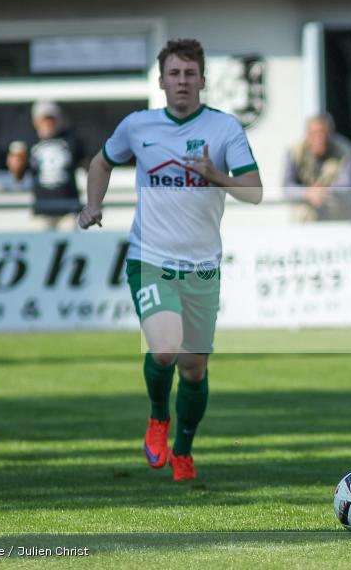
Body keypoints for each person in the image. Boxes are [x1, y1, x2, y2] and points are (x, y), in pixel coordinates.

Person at [78, 39, 262, 482]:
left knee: (193, 368)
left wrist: (213, 174)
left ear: (203, 80)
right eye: (174, 74)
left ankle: (184, 449)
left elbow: (254, 190)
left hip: (201, 266)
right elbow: (101, 163)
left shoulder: (224, 128)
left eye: (189, 74)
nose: (182, 81)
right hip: (150, 258)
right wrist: (92, 205)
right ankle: (158, 416)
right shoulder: (138, 125)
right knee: (164, 350)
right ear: (161, 81)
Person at [8, 100, 87, 230]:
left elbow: (87, 165)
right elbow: (18, 176)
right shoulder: (29, 142)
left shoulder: (71, 139)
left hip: (68, 208)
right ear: (36, 121)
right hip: (42, 210)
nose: (48, 123)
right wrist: (15, 166)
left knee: (69, 238)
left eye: (51, 119)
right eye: (44, 119)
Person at [283, 114, 351, 221]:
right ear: (307, 135)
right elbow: (287, 187)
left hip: (336, 210)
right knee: (302, 212)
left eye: (323, 133)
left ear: (331, 133)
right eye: (314, 133)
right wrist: (307, 192)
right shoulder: (294, 152)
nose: (319, 138)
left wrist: (325, 191)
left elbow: (348, 186)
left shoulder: (346, 151)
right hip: (305, 213)